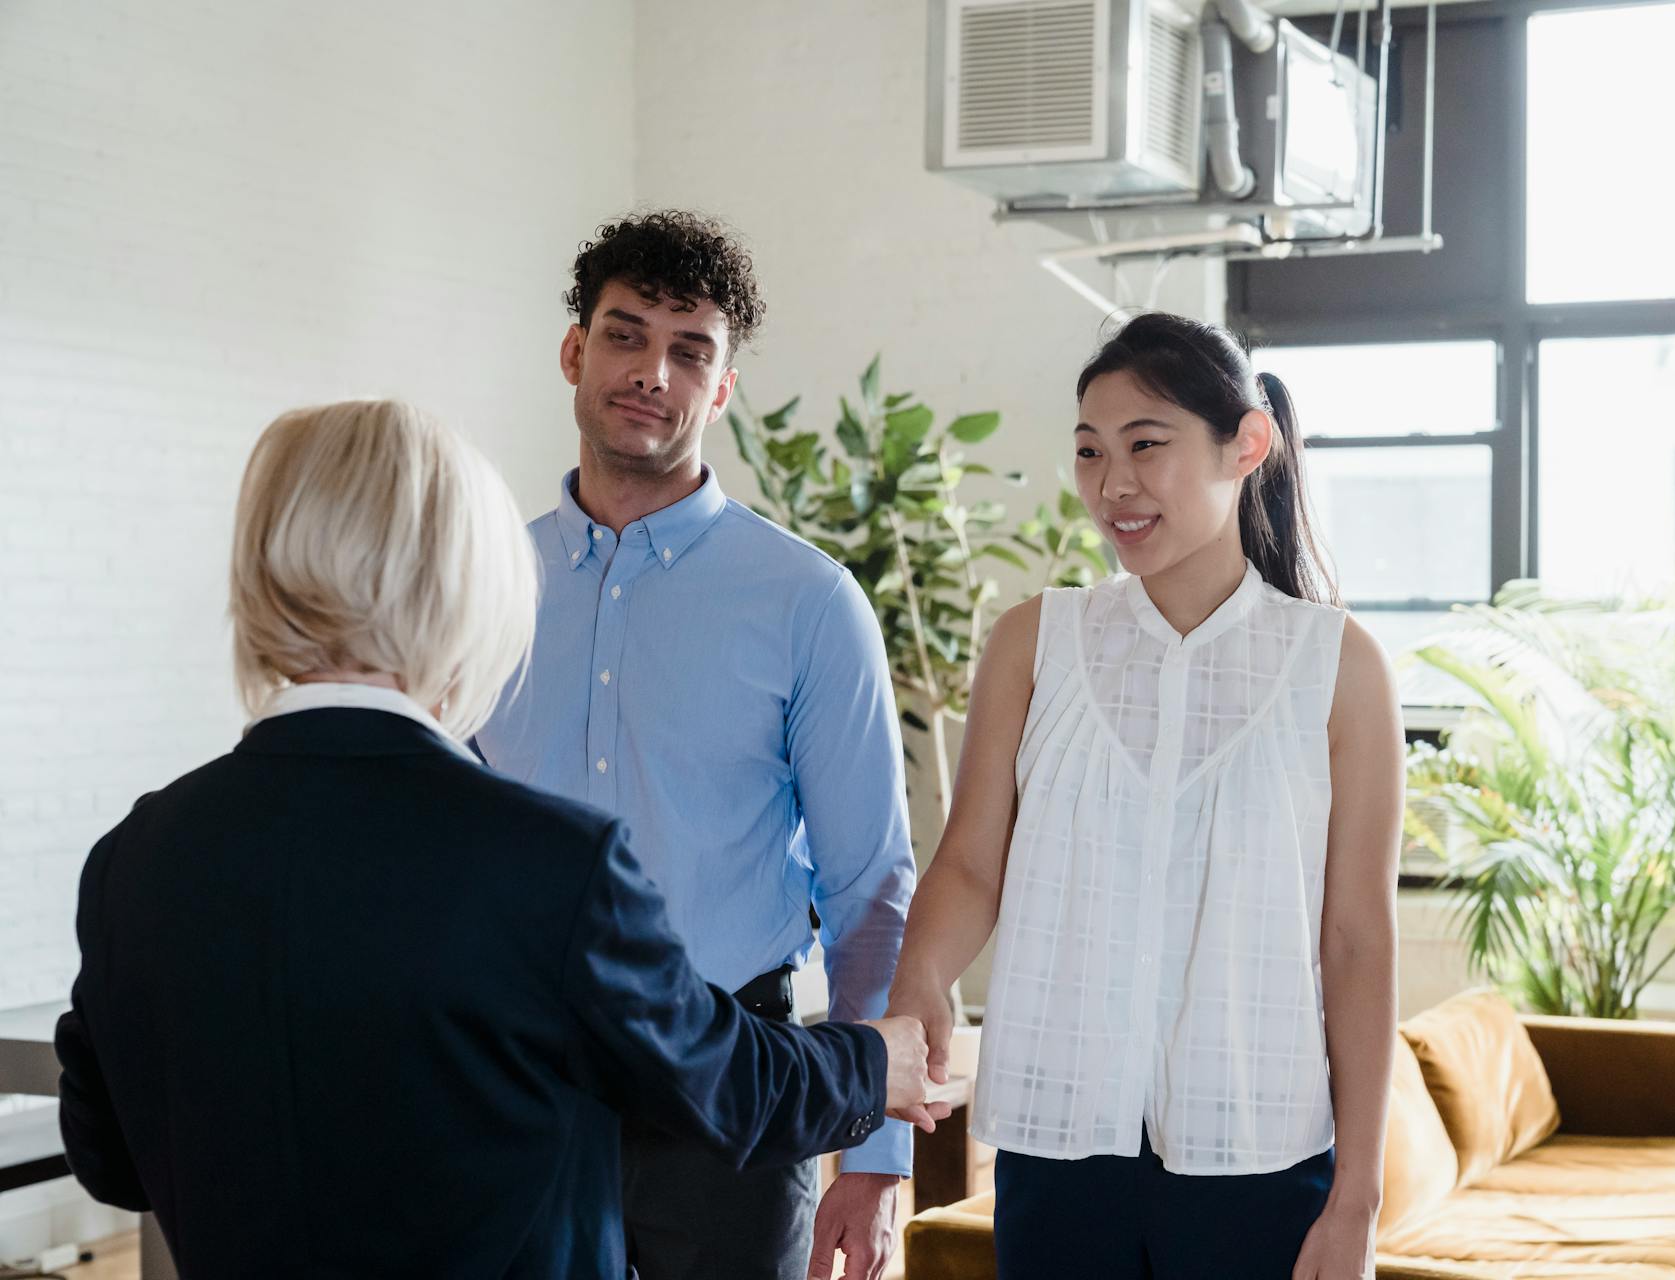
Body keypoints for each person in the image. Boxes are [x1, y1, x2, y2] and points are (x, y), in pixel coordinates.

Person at [53, 399, 943, 1280]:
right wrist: (876, 1062)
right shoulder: (552, 863)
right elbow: (716, 1081)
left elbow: (113, 1159)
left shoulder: (135, 857)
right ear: (468, 590)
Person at [886, 312, 1403, 1280]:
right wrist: (921, 980)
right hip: (1059, 1148)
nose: (1112, 484)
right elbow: (969, 861)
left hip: (1261, 1155)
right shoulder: (1034, 643)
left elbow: (1357, 940)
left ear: (1246, 443)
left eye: (1146, 445)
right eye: (1090, 451)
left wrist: (1358, 1196)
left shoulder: (1339, 668)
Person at [472, 210, 918, 1280]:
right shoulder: (480, 581)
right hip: (519, 1077)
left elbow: (871, 889)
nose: (653, 374)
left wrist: (876, 1150)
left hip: (733, 1084)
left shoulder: (810, 601)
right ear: (576, 351)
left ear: (721, 388)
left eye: (691, 351)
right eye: (626, 335)